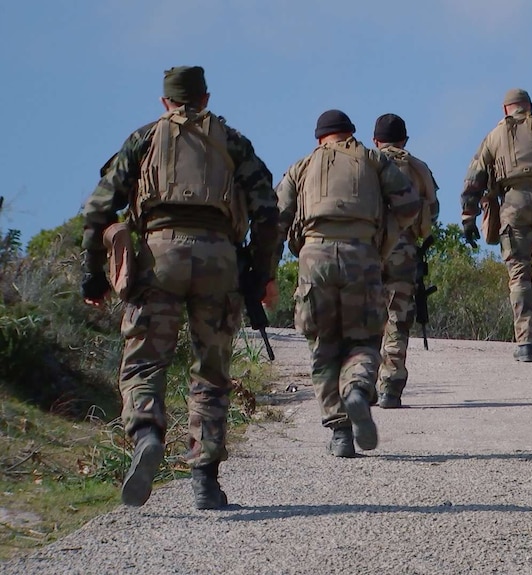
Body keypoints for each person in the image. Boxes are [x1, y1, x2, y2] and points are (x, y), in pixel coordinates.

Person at [80, 66, 280, 508]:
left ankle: (148, 435)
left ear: (164, 102)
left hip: (158, 257)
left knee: (145, 363)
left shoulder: (144, 139)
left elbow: (98, 210)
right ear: (205, 98)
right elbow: (268, 212)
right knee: (211, 372)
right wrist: (260, 273)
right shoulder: (232, 141)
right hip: (219, 261)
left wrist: (92, 273)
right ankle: (205, 479)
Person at [276, 110, 419, 457]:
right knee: (365, 339)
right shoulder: (373, 160)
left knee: (324, 345)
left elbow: (275, 218)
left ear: (319, 138)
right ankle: (356, 388)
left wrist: (270, 266)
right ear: (351, 134)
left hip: (315, 257)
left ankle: (339, 432)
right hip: (362, 255)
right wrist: (383, 242)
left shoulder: (302, 166)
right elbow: (409, 203)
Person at [461, 88, 532, 362]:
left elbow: (474, 175)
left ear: (505, 109)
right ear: (529, 106)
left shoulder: (495, 134)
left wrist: (469, 215)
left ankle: (524, 341)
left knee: (519, 273)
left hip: (513, 205)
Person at [372, 114, 440, 409]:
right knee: (398, 319)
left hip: (369, 250)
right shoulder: (418, 167)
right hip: (404, 251)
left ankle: (365, 382)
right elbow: (433, 212)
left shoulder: (365, 163)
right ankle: (391, 387)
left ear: (375, 140)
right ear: (405, 140)